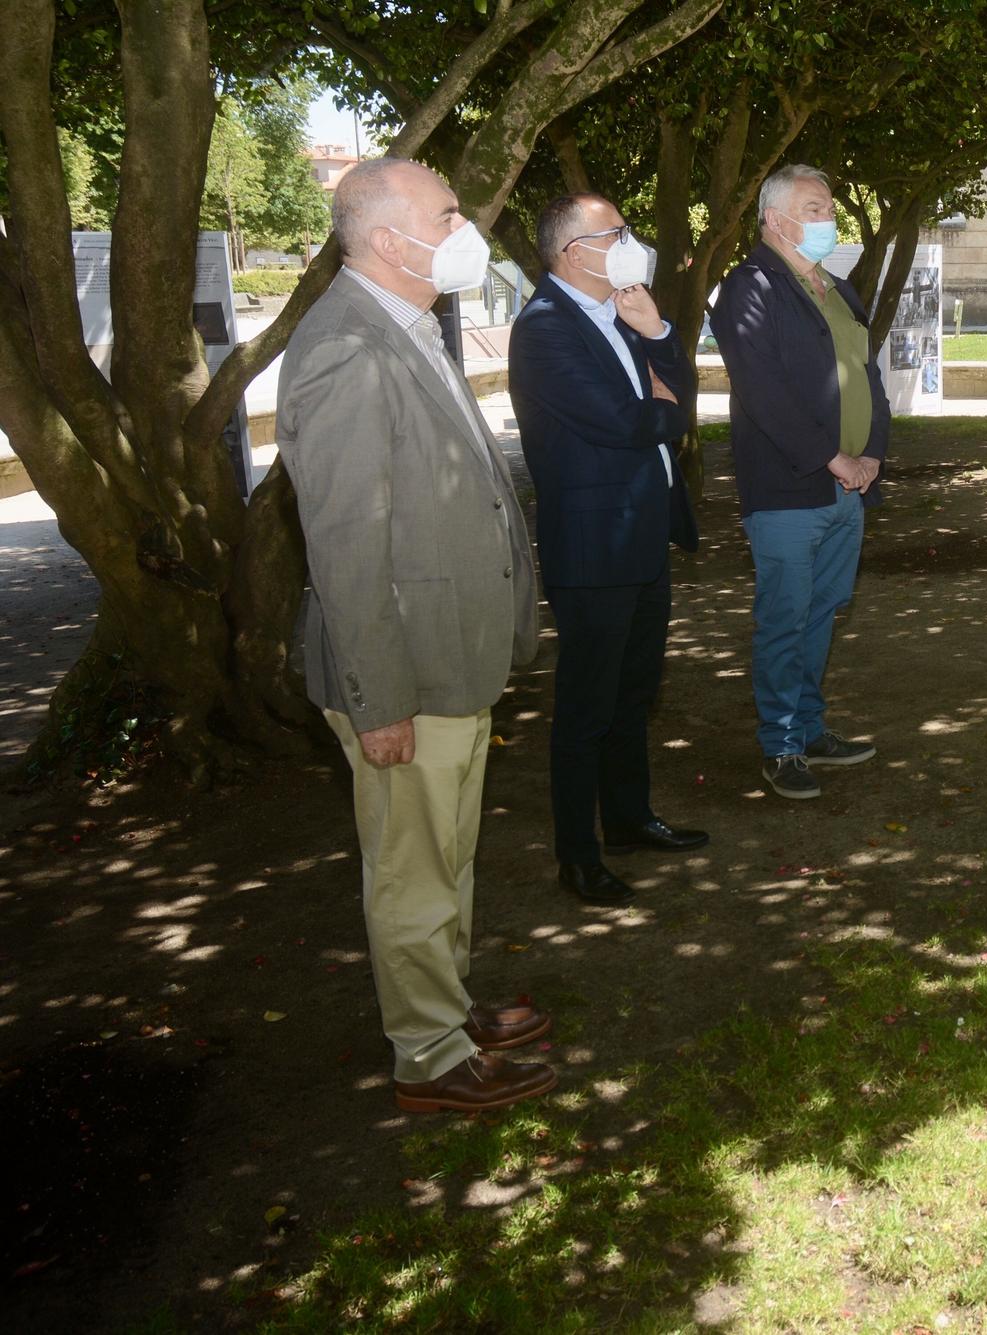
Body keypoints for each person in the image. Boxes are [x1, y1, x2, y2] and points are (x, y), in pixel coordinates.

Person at [281, 158, 554, 1113]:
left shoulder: (408, 320)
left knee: (446, 852)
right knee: (411, 865)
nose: (466, 228)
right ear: (392, 241)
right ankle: (429, 1055)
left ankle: (446, 1003)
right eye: (449, 214)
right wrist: (380, 699)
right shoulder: (347, 346)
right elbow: (348, 546)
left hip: (453, 656)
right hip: (406, 671)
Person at [510, 193, 708, 908]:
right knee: (586, 706)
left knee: (633, 691)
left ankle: (628, 819)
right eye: (615, 233)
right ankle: (579, 854)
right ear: (573, 253)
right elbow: (629, 422)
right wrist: (664, 407)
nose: (629, 242)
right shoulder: (543, 328)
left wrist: (657, 336)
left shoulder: (619, 313)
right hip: (595, 546)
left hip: (642, 533)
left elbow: (679, 394)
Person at [711, 164, 890, 801]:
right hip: (790, 488)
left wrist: (870, 454)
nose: (829, 219)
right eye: (816, 207)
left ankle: (810, 728)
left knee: (823, 611)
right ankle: (780, 744)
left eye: (830, 207)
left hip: (849, 488)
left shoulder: (836, 287)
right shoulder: (748, 287)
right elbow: (763, 390)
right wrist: (831, 457)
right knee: (785, 618)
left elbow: (867, 375)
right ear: (777, 219)